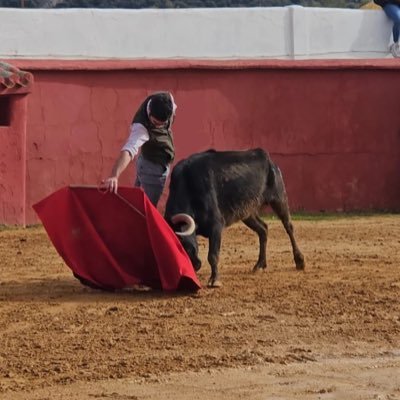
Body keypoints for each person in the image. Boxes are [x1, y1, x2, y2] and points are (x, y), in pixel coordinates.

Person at [102, 91, 177, 207]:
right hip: (152, 170)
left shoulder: (168, 99)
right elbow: (129, 150)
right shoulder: (141, 127)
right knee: (147, 210)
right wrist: (114, 175)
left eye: (162, 124)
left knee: (138, 204)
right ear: (150, 113)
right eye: (155, 123)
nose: (158, 126)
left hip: (147, 163)